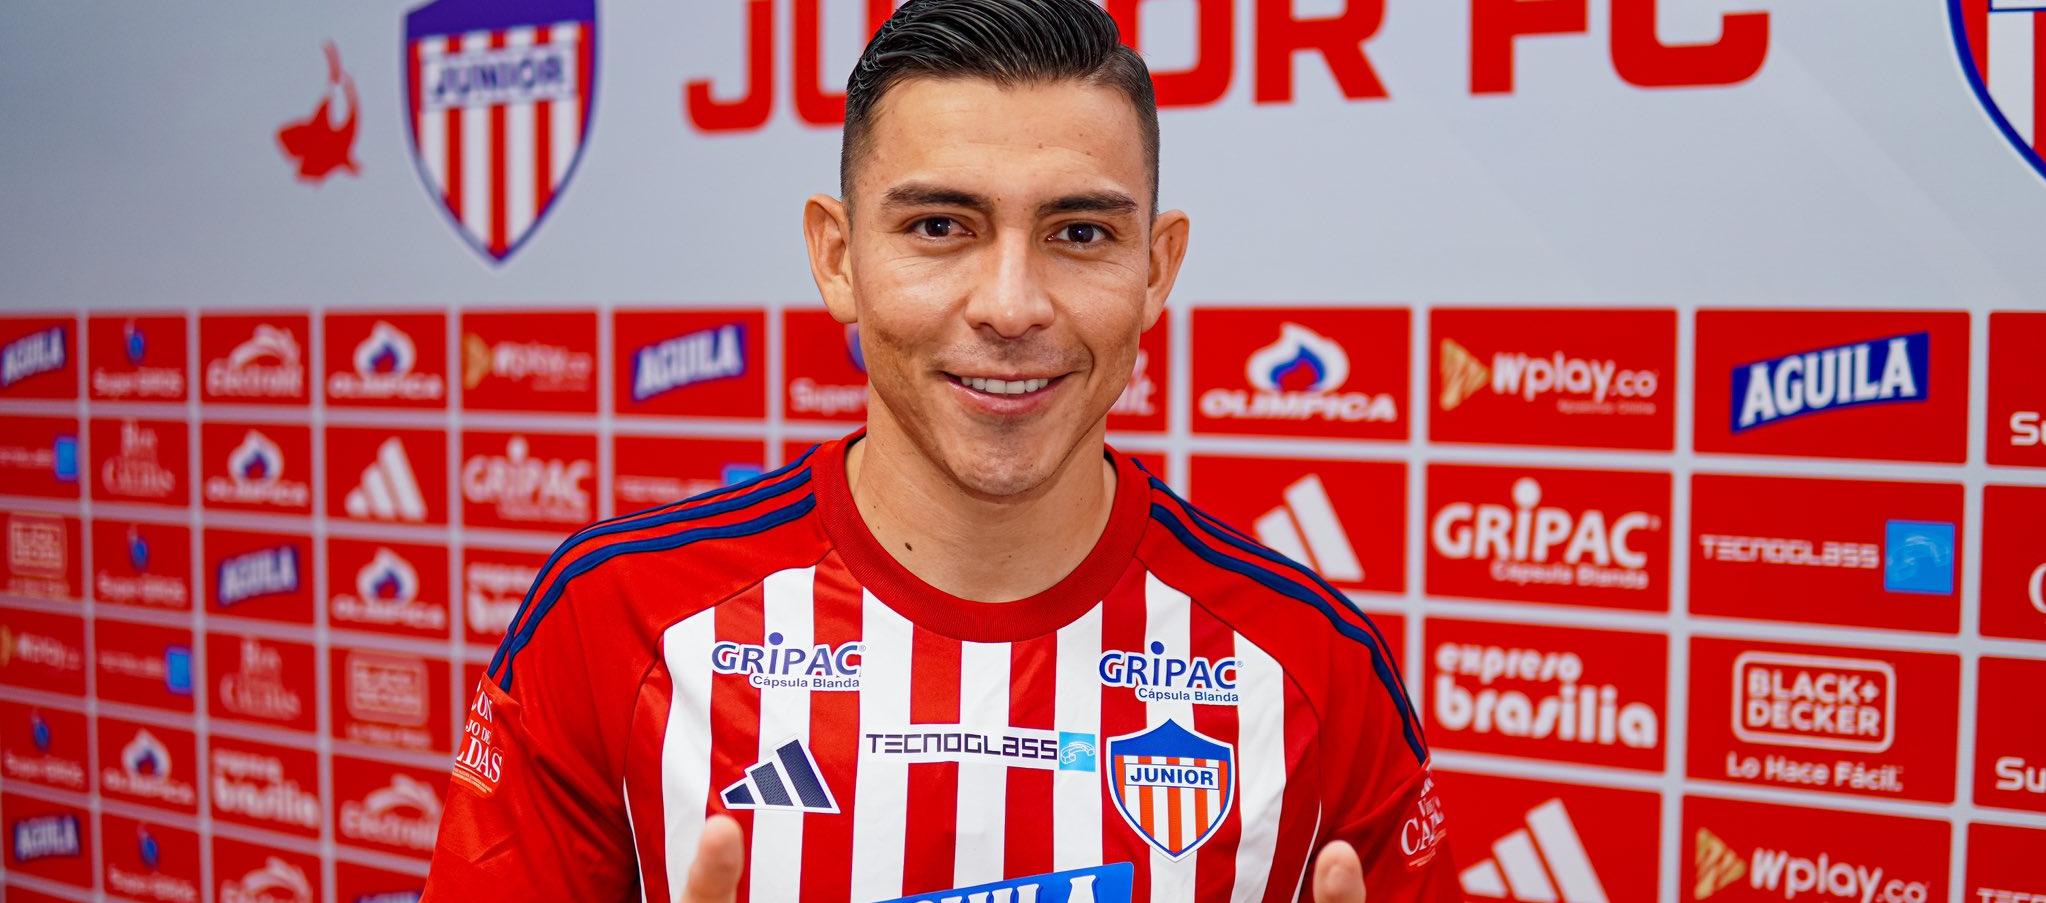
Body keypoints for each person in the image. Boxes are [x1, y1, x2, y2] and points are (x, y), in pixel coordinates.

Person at [422, 0, 1455, 899]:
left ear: (1158, 266)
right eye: (939, 227)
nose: (1011, 307)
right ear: (838, 258)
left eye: (1080, 234)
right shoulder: (615, 621)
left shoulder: (1313, 668)